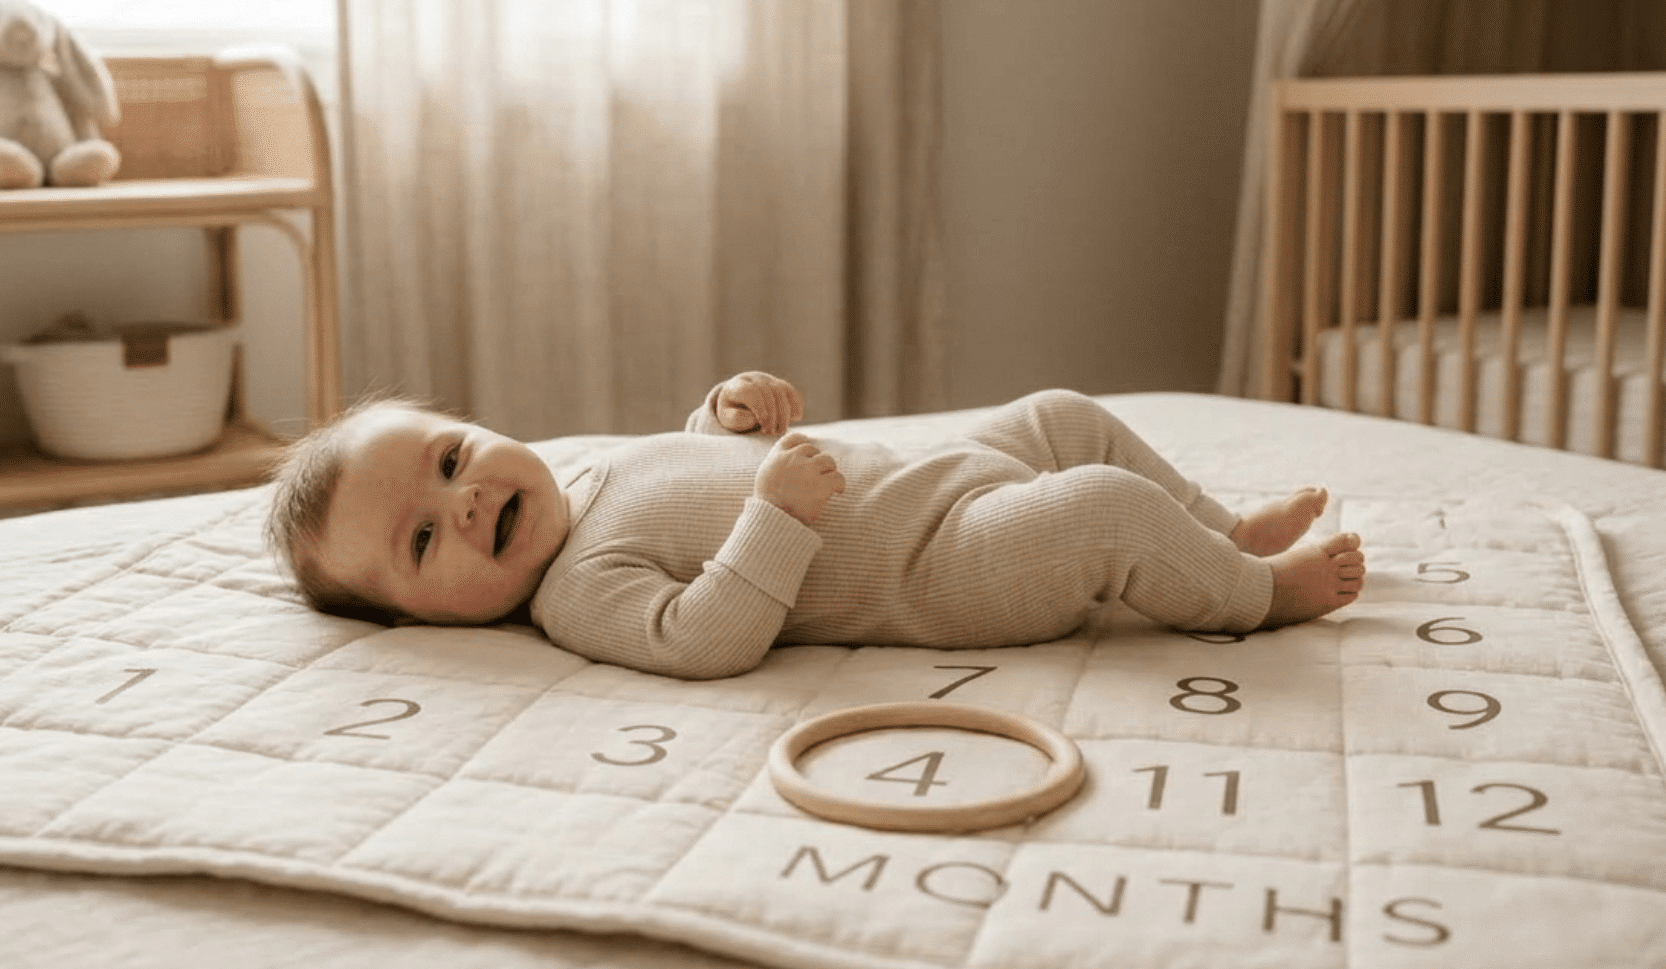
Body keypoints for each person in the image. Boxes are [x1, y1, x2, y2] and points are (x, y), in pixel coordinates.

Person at [265, 373, 1366, 679]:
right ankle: (1261, 593)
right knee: (1099, 511)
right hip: (938, 563)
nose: (461, 498)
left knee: (1060, 414)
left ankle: (1222, 527)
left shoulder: (578, 472)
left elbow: (682, 464)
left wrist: (723, 416)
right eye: (421, 542)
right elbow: (701, 637)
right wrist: (772, 519)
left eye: (452, 457)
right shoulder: (573, 595)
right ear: (426, 619)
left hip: (935, 473)